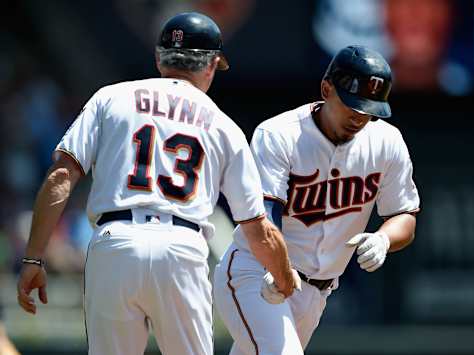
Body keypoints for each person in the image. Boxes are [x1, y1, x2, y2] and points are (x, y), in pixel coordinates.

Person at [16, 12, 298, 355]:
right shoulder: (224, 126)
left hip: (114, 242)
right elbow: (258, 229)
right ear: (210, 66)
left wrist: (33, 259)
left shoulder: (111, 98)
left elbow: (62, 176)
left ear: (158, 58)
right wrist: (284, 276)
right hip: (180, 247)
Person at [213, 45, 420, 354]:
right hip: (257, 272)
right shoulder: (280, 134)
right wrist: (279, 269)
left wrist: (383, 240)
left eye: (369, 112)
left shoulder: (386, 142)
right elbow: (265, 218)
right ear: (326, 88)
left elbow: (405, 216)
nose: (359, 117)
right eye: (352, 106)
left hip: (318, 292)